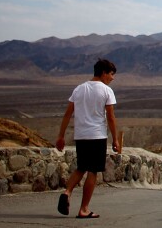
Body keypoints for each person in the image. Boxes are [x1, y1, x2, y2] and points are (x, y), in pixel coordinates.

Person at [55, 58, 121, 219]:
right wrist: (115, 139)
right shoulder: (106, 91)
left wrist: (61, 136)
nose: (113, 78)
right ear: (104, 73)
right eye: (111, 74)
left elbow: (68, 114)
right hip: (97, 135)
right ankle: (84, 208)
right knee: (93, 171)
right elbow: (111, 117)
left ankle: (67, 191)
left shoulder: (79, 89)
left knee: (81, 167)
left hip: (81, 136)